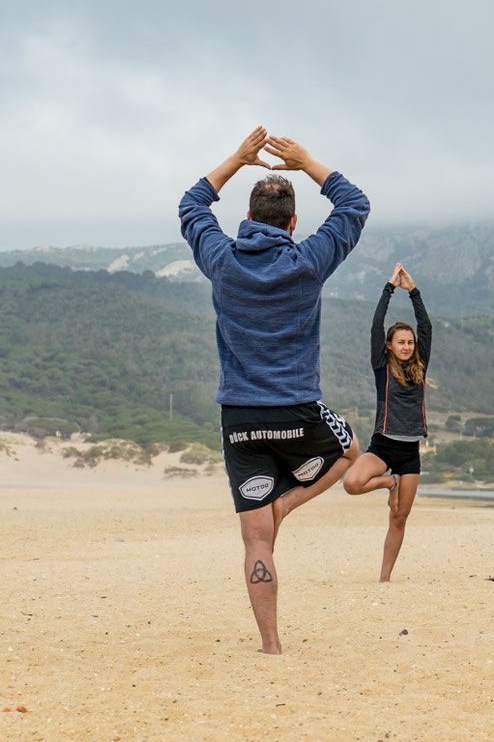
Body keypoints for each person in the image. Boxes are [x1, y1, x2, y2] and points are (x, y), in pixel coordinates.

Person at [179, 126, 369, 654]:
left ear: (245, 221)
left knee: (254, 540)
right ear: (292, 223)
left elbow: (192, 203)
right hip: (297, 409)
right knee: (351, 449)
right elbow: (354, 205)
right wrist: (306, 161)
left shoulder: (222, 259)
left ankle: (270, 645)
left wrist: (239, 159)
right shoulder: (307, 261)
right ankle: (288, 503)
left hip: (239, 416)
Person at [342, 263, 433, 582]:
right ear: (390, 346)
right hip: (382, 447)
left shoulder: (420, 368)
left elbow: (426, 327)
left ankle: (384, 579)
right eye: (401, 342)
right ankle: (390, 483)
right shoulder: (381, 367)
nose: (407, 346)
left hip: (410, 453)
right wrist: (389, 289)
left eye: (410, 342)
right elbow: (376, 326)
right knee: (352, 484)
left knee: (399, 517)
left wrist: (414, 292)